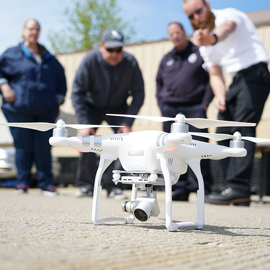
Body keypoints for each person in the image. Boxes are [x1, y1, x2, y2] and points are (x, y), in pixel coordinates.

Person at [183, 0, 270, 206]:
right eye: (190, 16)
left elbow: (226, 29)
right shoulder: (202, 42)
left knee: (242, 129)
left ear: (207, 5)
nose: (196, 17)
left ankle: (239, 187)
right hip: (236, 81)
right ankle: (230, 188)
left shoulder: (227, 15)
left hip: (256, 73)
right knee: (222, 127)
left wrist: (211, 38)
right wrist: (220, 96)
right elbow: (214, 73)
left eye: (198, 11)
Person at [71, 29, 145, 199]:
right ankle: (86, 186)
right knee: (87, 141)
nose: (114, 54)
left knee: (124, 141)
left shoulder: (131, 63)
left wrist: (127, 121)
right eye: (110, 50)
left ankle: (115, 186)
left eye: (118, 50)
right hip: (92, 107)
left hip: (118, 108)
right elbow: (77, 93)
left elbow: (139, 94)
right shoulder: (89, 60)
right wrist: (83, 122)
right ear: (101, 46)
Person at [0, 19, 67, 196]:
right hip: (19, 109)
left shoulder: (48, 57)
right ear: (23, 31)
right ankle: (22, 183)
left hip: (45, 110)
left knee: (44, 146)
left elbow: (61, 78)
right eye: (30, 29)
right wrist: (4, 84)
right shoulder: (11, 54)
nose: (34, 32)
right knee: (23, 146)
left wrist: (59, 98)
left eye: (37, 29)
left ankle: (46, 184)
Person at [156, 22, 213, 201]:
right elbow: (158, 84)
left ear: (184, 32)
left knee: (199, 148)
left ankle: (204, 188)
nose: (175, 36)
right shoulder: (166, 59)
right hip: (171, 111)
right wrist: (162, 105)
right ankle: (179, 188)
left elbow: (212, 78)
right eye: (171, 34)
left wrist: (205, 104)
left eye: (178, 32)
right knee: (172, 150)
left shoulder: (200, 53)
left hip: (195, 108)